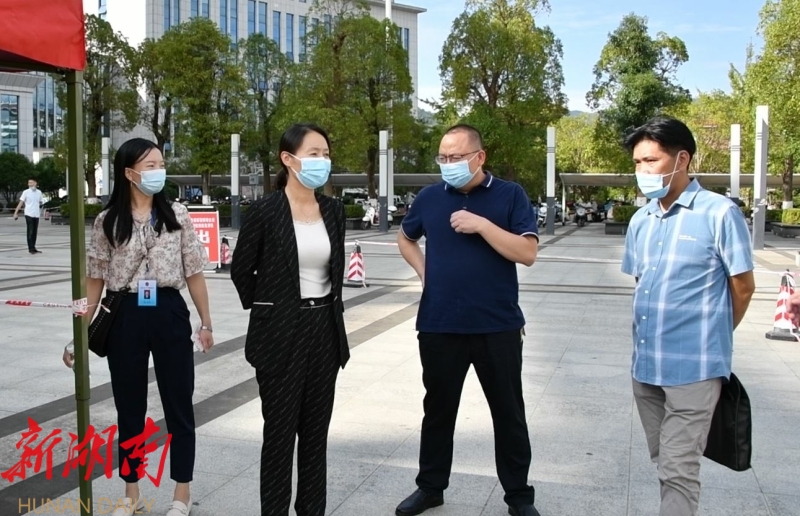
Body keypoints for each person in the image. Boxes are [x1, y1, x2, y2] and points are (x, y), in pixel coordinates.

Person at [62, 138, 214, 516]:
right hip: (125, 314)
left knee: (179, 404)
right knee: (129, 408)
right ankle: (132, 494)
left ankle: (182, 492)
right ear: (129, 173)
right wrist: (77, 333)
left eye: (161, 164)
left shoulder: (177, 214)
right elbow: (94, 280)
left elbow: (194, 272)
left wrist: (206, 322)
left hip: (169, 311)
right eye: (150, 166)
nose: (159, 171)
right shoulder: (108, 221)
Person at [396, 124, 540, 516]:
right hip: (439, 324)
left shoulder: (510, 194)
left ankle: (519, 496)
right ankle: (430, 487)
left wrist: (482, 225)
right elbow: (406, 237)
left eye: (456, 157)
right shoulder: (429, 198)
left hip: (498, 325)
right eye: (443, 157)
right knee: (438, 411)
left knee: (508, 413)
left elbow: (527, 253)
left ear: (480, 157)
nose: (448, 164)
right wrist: (425, 272)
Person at [620, 116, 755, 516]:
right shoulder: (640, 220)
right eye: (638, 162)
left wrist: (714, 334)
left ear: (682, 159)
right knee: (666, 459)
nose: (643, 170)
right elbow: (644, 283)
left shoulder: (719, 213)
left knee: (678, 467)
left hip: (694, 369)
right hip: (646, 367)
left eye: (652, 160)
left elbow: (743, 287)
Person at [230, 123, 349, 516]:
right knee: (279, 437)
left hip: (325, 330)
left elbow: (335, 269)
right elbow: (241, 270)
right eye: (314, 154)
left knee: (315, 437)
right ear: (288, 159)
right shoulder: (265, 211)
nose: (322, 161)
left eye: (326, 154)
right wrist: (271, 308)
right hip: (280, 334)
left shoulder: (333, 210)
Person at [13, 178, 43, 254]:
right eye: (29, 183)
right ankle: (30, 248)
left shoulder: (39, 192)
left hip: (36, 214)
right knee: (30, 230)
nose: (30, 184)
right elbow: (21, 202)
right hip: (29, 213)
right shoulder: (26, 192)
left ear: (35, 183)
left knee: (35, 231)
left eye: (31, 182)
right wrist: (16, 212)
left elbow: (40, 202)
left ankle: (33, 247)